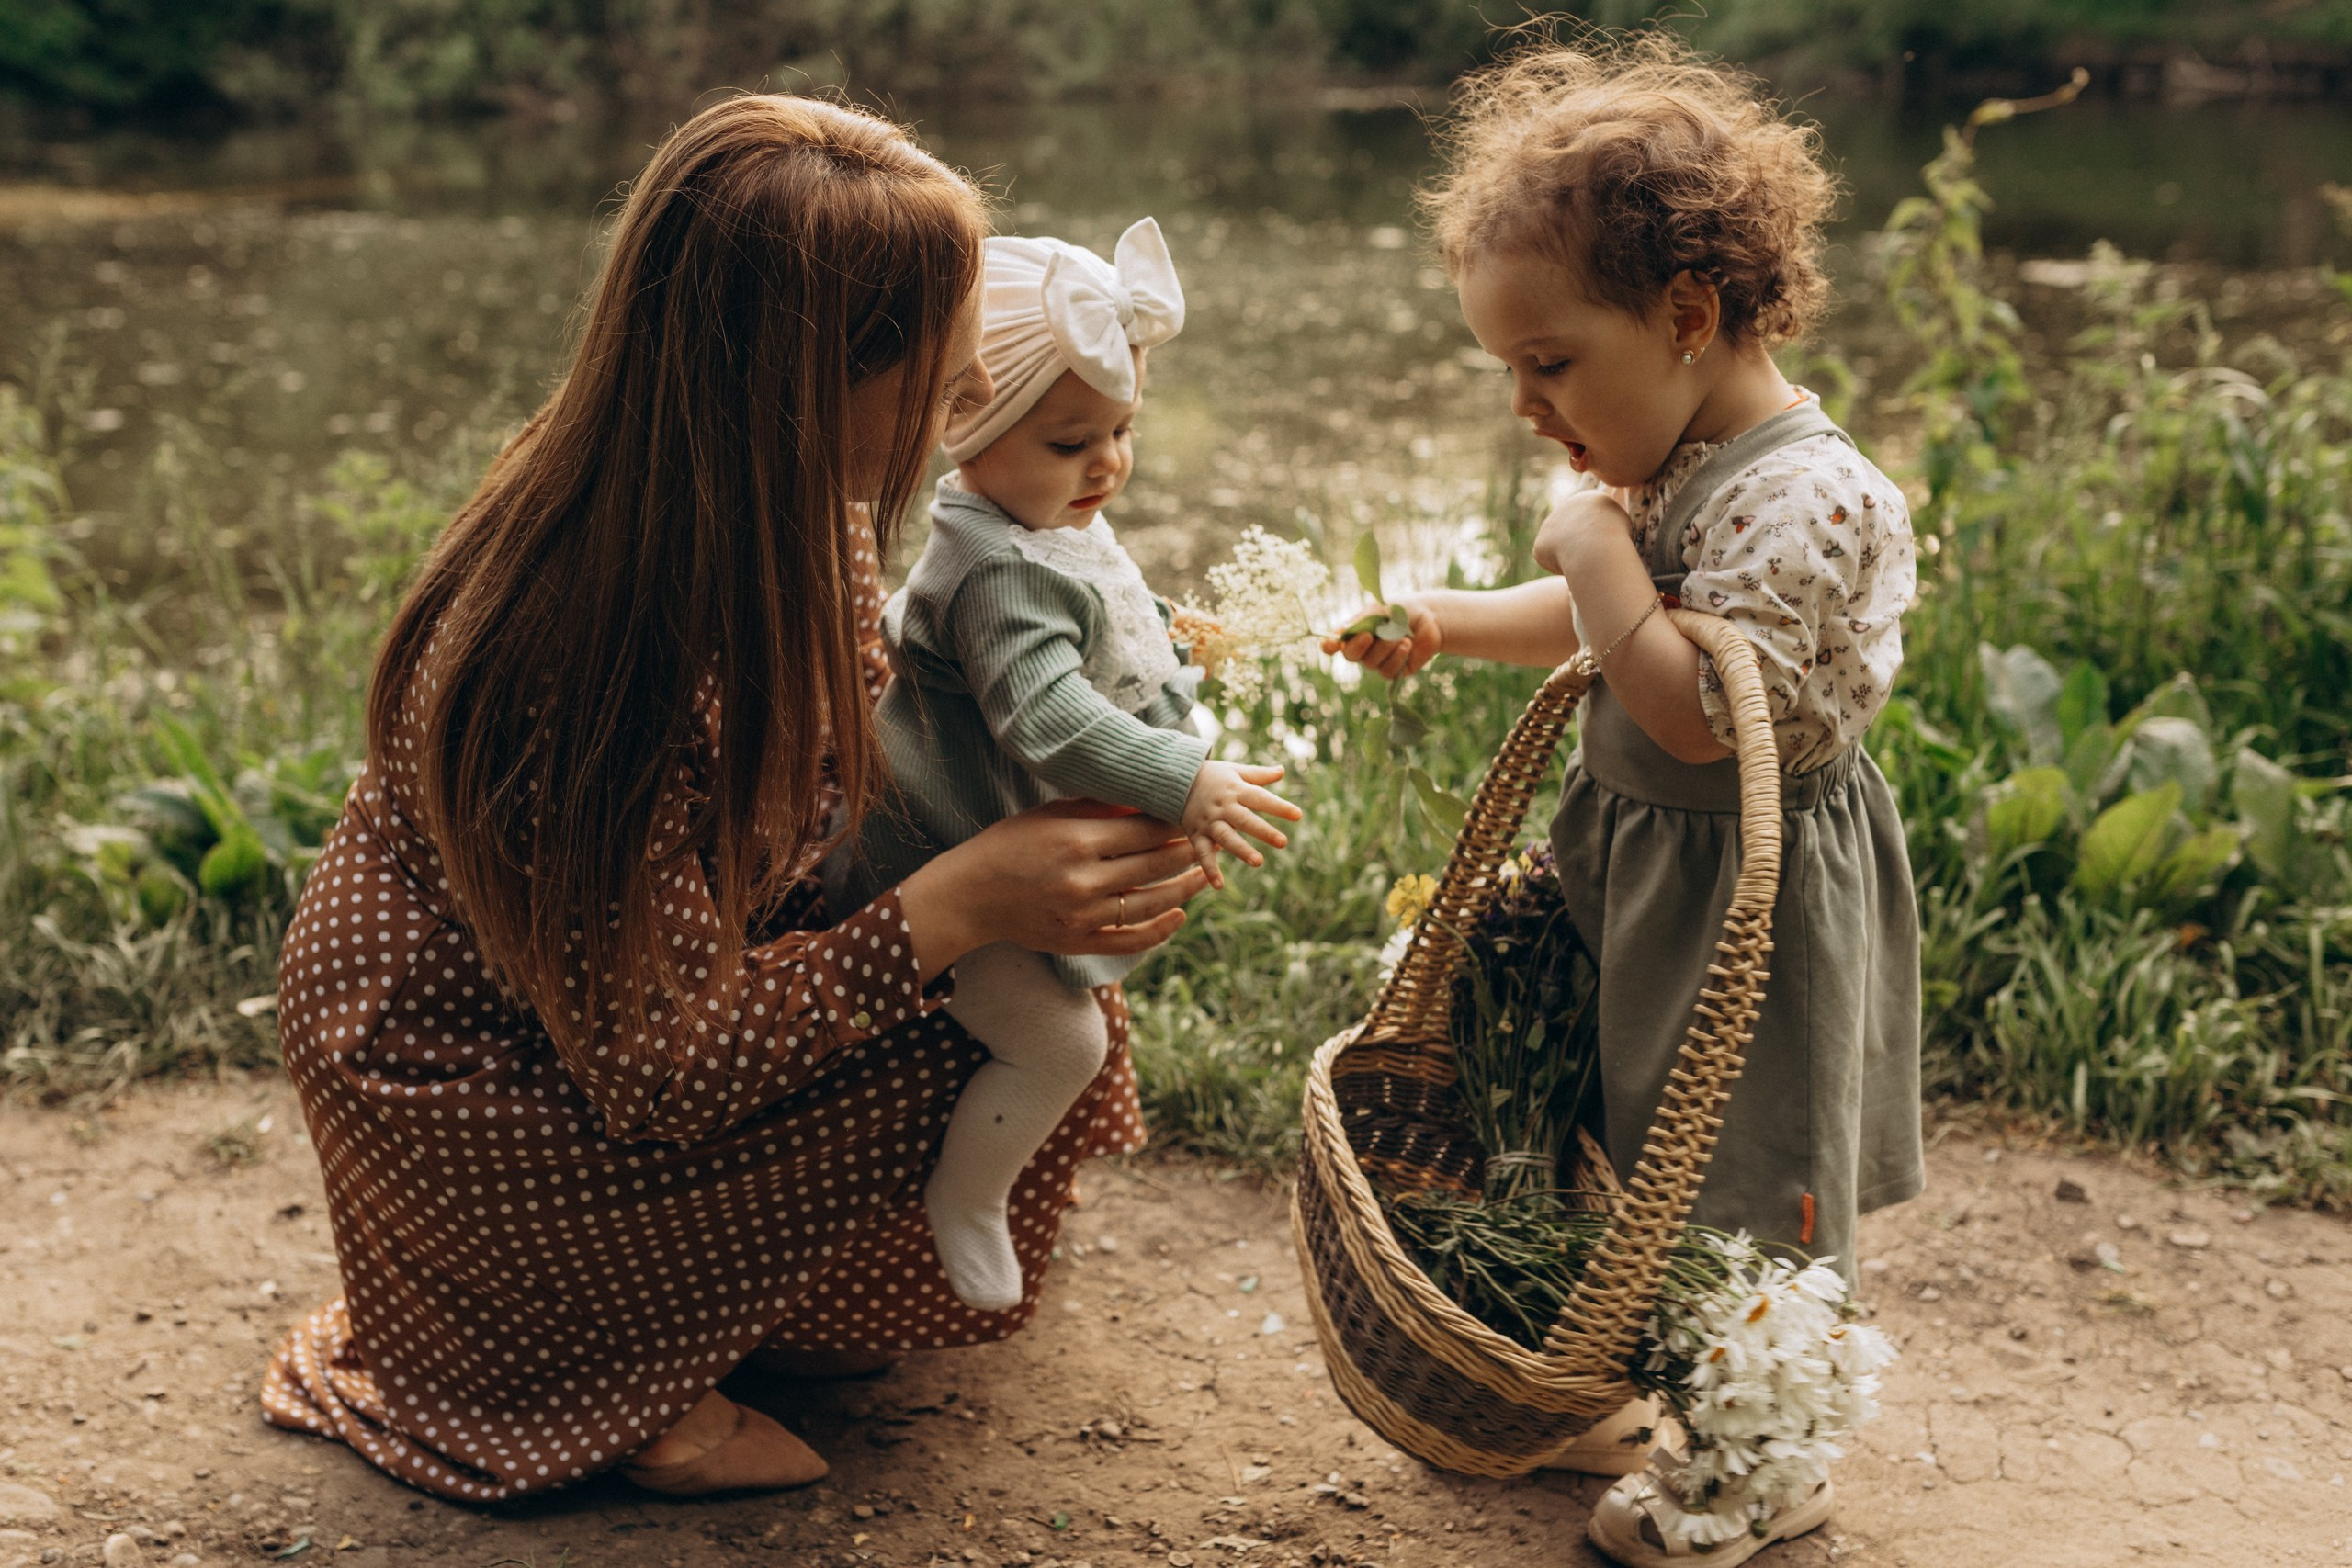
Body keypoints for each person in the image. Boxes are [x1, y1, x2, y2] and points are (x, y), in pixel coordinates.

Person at [259, 94, 1214, 1503]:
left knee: (1036, 1006)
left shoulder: (763, 492)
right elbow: (649, 1067)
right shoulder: (585, 655)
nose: (970, 428)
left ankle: (741, 1305)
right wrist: (957, 895)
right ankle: (590, 1366)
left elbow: (847, 731)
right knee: (970, 1000)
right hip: (482, 1091)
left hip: (620, 986)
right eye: (951, 395)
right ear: (812, 379)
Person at [1329, 33, 1923, 1567]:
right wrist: (1460, 615)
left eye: (1549, 361)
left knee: (1745, 1163)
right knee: (1612, 1141)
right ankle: (1636, 1374)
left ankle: (1764, 1450)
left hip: (1749, 903)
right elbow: (1608, 624)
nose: (1529, 404)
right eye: (1506, 370)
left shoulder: (1816, 499)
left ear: (1689, 314)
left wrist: (1587, 544)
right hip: (1635, 872)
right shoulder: (1667, 451)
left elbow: (1683, 700)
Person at [826, 218, 1300, 1313]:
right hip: (935, 866)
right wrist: (1186, 783)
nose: (1108, 464)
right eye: (1069, 441)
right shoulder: (993, 569)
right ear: (968, 426)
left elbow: (1080, 632)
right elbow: (1046, 720)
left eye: (1122, 430)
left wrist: (1163, 645)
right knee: (1061, 1044)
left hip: (987, 828)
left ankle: (1023, 1163)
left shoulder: (1031, 515)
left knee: (1090, 973)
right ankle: (969, 1191)